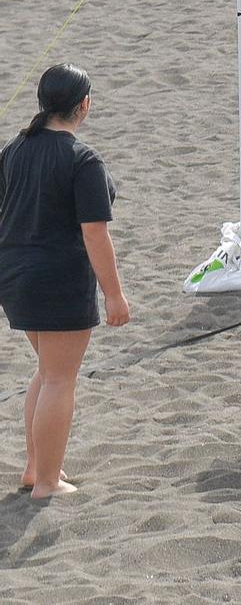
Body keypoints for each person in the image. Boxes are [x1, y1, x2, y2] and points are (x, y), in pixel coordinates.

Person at [0, 64, 129, 501]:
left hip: (15, 274)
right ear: (84, 104)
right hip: (54, 277)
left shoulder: (15, 148)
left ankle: (37, 469)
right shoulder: (81, 158)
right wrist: (114, 294)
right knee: (58, 379)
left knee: (49, 372)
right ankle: (48, 483)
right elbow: (95, 232)